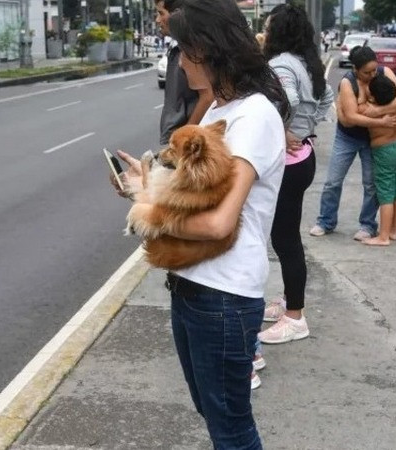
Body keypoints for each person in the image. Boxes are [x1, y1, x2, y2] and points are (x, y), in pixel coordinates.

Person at [111, 0, 289, 447]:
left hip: (224, 295)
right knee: (214, 416)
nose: (180, 62)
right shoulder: (217, 110)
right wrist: (146, 187)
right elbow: (194, 196)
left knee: (231, 427)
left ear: (210, 51)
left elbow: (217, 223)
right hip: (193, 287)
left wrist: (147, 216)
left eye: (184, 51)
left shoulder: (253, 116)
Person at [258, 4, 334, 351]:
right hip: (303, 156)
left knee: (285, 241)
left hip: (288, 162)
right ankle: (290, 301)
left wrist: (285, 129)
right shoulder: (308, 62)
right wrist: (305, 128)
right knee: (287, 237)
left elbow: (282, 99)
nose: (265, 30)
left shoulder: (280, 64)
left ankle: (295, 317)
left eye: (269, 26)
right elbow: (327, 98)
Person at [309, 45, 396, 241]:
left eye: (374, 69)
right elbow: (349, 118)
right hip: (347, 138)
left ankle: (367, 225)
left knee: (371, 184)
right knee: (333, 181)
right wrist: (381, 119)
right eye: (367, 72)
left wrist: (367, 112)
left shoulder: (385, 73)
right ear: (355, 69)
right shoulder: (348, 83)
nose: (372, 74)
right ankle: (326, 221)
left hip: (374, 140)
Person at [359, 73, 396, 246]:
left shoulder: (369, 110)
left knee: (386, 193)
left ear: (373, 95)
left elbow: (357, 111)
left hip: (385, 150)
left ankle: (383, 237)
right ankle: (395, 232)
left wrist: (366, 95)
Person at [154, 0, 213, 147]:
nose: (157, 20)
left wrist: (185, 138)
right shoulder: (178, 48)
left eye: (161, 13)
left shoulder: (189, 50)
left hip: (189, 145)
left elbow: (207, 96)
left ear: (177, 15)